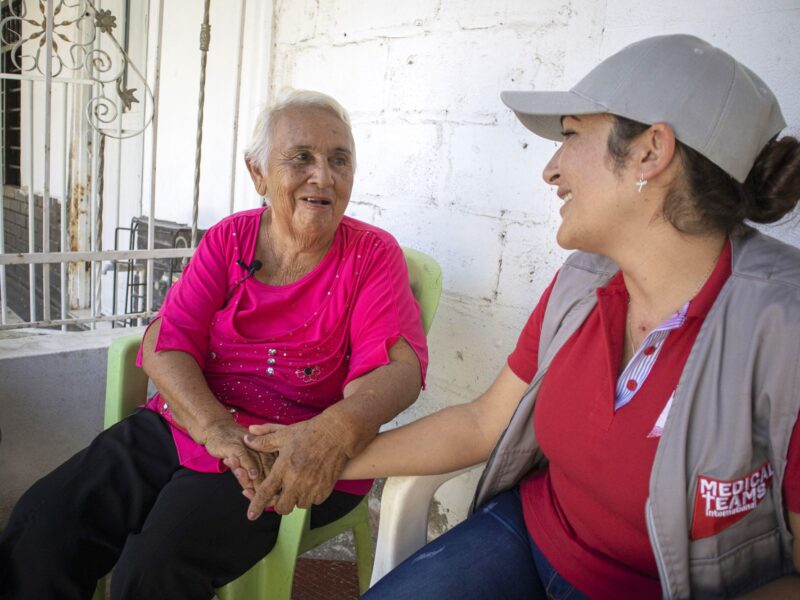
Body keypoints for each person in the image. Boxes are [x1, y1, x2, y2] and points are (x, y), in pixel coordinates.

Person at [247, 35, 800, 598]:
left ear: (650, 152)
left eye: (570, 135)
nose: (551, 171)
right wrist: (317, 456)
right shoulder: (583, 281)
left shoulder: (783, 331)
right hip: (529, 537)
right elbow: (483, 423)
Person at [0, 89, 428, 599]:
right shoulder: (230, 240)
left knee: (155, 568)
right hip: (190, 420)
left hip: (284, 452)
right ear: (258, 174)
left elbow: (397, 369)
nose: (323, 176)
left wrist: (329, 432)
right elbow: (167, 342)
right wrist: (213, 427)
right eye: (301, 158)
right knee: (43, 523)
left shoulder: (371, 255)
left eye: (340, 160)